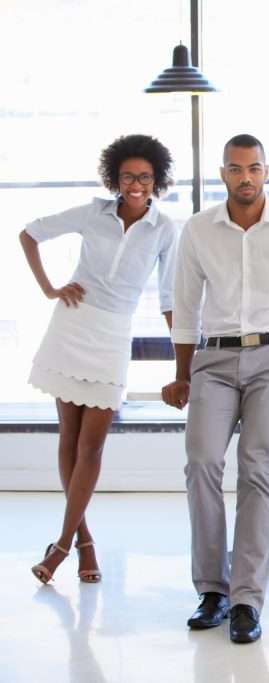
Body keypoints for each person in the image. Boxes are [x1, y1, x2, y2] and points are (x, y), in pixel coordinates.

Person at [161, 134, 269, 644]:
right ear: (223, 173)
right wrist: (181, 373)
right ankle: (212, 591)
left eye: (254, 168)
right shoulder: (197, 230)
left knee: (256, 463)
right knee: (201, 460)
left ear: (267, 171)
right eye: (236, 169)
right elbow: (185, 308)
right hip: (212, 359)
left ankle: (246, 600)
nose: (246, 177)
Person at [22, 134, 177, 585]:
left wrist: (184, 359)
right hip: (71, 326)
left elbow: (169, 296)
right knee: (69, 440)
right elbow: (29, 234)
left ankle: (63, 546)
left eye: (144, 177)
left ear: (156, 180)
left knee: (92, 446)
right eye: (128, 176)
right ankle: (81, 542)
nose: (136, 184)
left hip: (112, 336)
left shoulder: (165, 228)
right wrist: (50, 288)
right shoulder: (93, 212)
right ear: (115, 177)